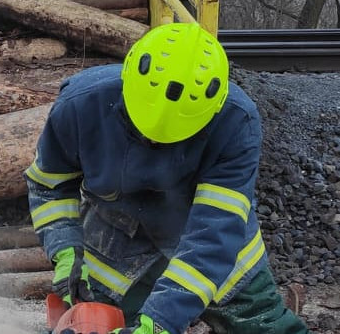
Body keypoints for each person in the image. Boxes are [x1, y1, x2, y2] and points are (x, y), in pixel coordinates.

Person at [24, 23, 310, 334]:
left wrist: (159, 323)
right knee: (94, 323)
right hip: (115, 236)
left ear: (211, 109)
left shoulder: (236, 122)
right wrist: (65, 250)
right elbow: (49, 185)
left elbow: (213, 233)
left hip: (206, 237)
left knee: (262, 325)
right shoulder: (80, 105)